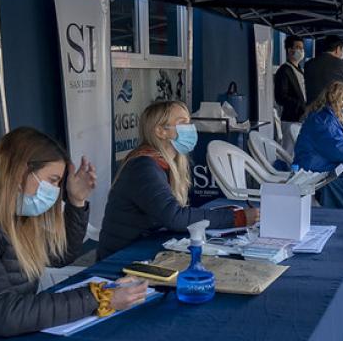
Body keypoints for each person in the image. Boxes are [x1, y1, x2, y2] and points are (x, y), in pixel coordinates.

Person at [0, 127, 148, 341]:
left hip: (0, 339)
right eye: (53, 180)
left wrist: (76, 201)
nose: (56, 190)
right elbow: (1, 313)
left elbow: (61, 255)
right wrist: (98, 297)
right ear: (21, 172)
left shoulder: (16, 212)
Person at [98, 101, 258, 260]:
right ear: (160, 131)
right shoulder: (143, 166)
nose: (190, 128)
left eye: (189, 122)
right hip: (121, 260)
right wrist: (237, 217)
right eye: (183, 123)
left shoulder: (166, 162)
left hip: (147, 250)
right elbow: (174, 217)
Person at [274, 34, 306, 153]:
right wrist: (299, 104)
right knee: (288, 151)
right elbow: (280, 97)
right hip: (291, 118)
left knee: (297, 150)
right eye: (298, 47)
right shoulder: (284, 70)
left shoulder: (300, 70)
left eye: (302, 48)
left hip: (301, 117)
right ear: (289, 50)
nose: (301, 51)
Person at [304, 35, 343, 105]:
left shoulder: (308, 64)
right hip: (333, 109)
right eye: (341, 50)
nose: (341, 53)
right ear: (337, 49)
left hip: (311, 108)